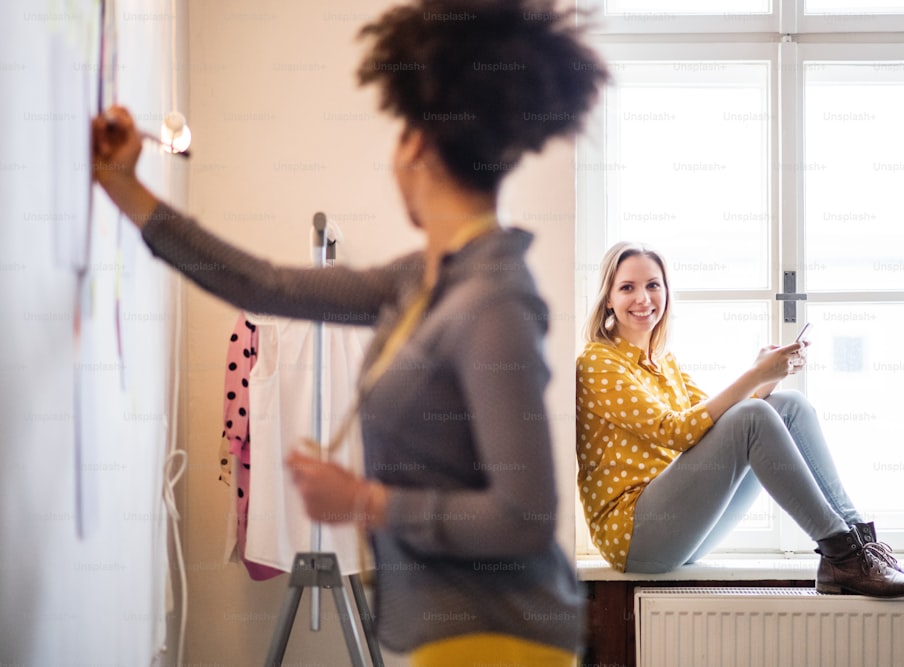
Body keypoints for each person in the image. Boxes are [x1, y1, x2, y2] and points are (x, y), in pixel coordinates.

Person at [92, 1, 608, 663]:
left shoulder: (493, 301)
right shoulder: (422, 280)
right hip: (444, 632)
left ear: (418, 144)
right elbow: (268, 286)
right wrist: (126, 189)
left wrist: (365, 500)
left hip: (497, 639)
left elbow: (524, 515)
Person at [576, 241, 904, 597]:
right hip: (636, 537)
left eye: (653, 285)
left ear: (666, 291)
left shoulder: (662, 360)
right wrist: (755, 374)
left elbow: (714, 423)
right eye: (627, 287)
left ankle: (861, 548)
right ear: (608, 298)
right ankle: (839, 552)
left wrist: (768, 375)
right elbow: (675, 432)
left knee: (787, 405)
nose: (643, 298)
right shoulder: (598, 361)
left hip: (680, 531)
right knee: (752, 415)